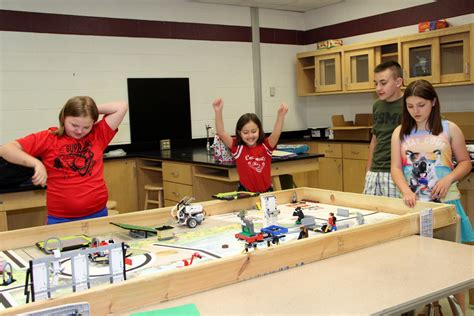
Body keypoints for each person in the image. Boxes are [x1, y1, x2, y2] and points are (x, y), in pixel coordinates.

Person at [390, 79, 473, 314]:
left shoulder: (449, 128)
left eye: (421, 105)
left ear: (433, 102)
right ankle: (429, 307)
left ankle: (462, 311)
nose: (415, 111)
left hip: (447, 205)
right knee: (419, 264)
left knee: (453, 264)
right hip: (416, 206)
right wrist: (406, 190)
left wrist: (448, 179)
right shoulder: (401, 132)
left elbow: (465, 163)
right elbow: (396, 168)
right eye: (410, 106)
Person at [0, 96, 128, 224]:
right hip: (60, 218)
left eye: (86, 127)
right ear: (63, 117)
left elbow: (121, 107)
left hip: (97, 213)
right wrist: (36, 163)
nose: (79, 131)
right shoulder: (49, 138)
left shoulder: (98, 135)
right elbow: (6, 149)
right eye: (74, 125)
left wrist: (88, 110)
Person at [212, 98, 288, 193]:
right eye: (245, 132)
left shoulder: (266, 145)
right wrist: (218, 112)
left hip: (267, 193)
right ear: (239, 133)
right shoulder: (237, 147)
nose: (250, 136)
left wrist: (280, 116)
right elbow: (221, 132)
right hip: (246, 193)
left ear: (259, 130)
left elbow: (276, 133)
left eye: (254, 131)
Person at [363, 61, 404, 198]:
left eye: (383, 83)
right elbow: (375, 140)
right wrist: (368, 171)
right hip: (375, 172)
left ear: (398, 82)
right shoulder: (377, 106)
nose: (378, 88)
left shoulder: (410, 104)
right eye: (376, 83)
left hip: (397, 172)